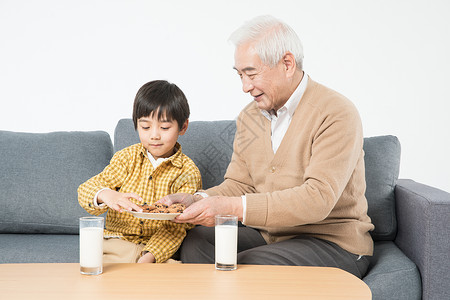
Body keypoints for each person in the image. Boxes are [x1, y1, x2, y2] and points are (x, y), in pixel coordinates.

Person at [158, 15, 374, 278]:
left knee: (248, 262)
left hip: (331, 242)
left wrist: (233, 208)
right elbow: (239, 183)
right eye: (240, 75)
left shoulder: (336, 112)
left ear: (287, 63)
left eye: (251, 73)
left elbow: (318, 199)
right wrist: (198, 199)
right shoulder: (249, 117)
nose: (245, 87)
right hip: (270, 237)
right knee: (198, 240)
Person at [78, 80, 202, 264]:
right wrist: (107, 195)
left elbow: (177, 228)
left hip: (158, 251)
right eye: (145, 127)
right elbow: (85, 190)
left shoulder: (188, 171)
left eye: (165, 128)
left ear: (183, 127)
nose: (154, 135)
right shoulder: (127, 158)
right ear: (136, 125)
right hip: (116, 244)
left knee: (175, 276)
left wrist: (149, 256)